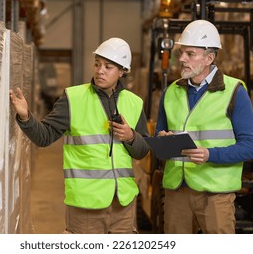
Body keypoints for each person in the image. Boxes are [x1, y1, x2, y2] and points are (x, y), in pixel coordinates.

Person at [10, 37, 150, 234]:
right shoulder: (73, 98)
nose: (100, 70)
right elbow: (44, 136)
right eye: (97, 64)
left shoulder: (134, 103)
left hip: (123, 205)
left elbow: (142, 151)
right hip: (86, 205)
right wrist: (25, 117)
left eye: (108, 66)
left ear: (122, 71)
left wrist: (130, 137)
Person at [155, 20, 253, 234]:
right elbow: (159, 133)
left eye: (190, 54)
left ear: (209, 58)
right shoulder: (170, 92)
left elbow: (250, 147)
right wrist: (162, 138)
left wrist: (209, 154)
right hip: (177, 191)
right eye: (182, 52)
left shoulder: (234, 92)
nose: (182, 59)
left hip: (215, 194)